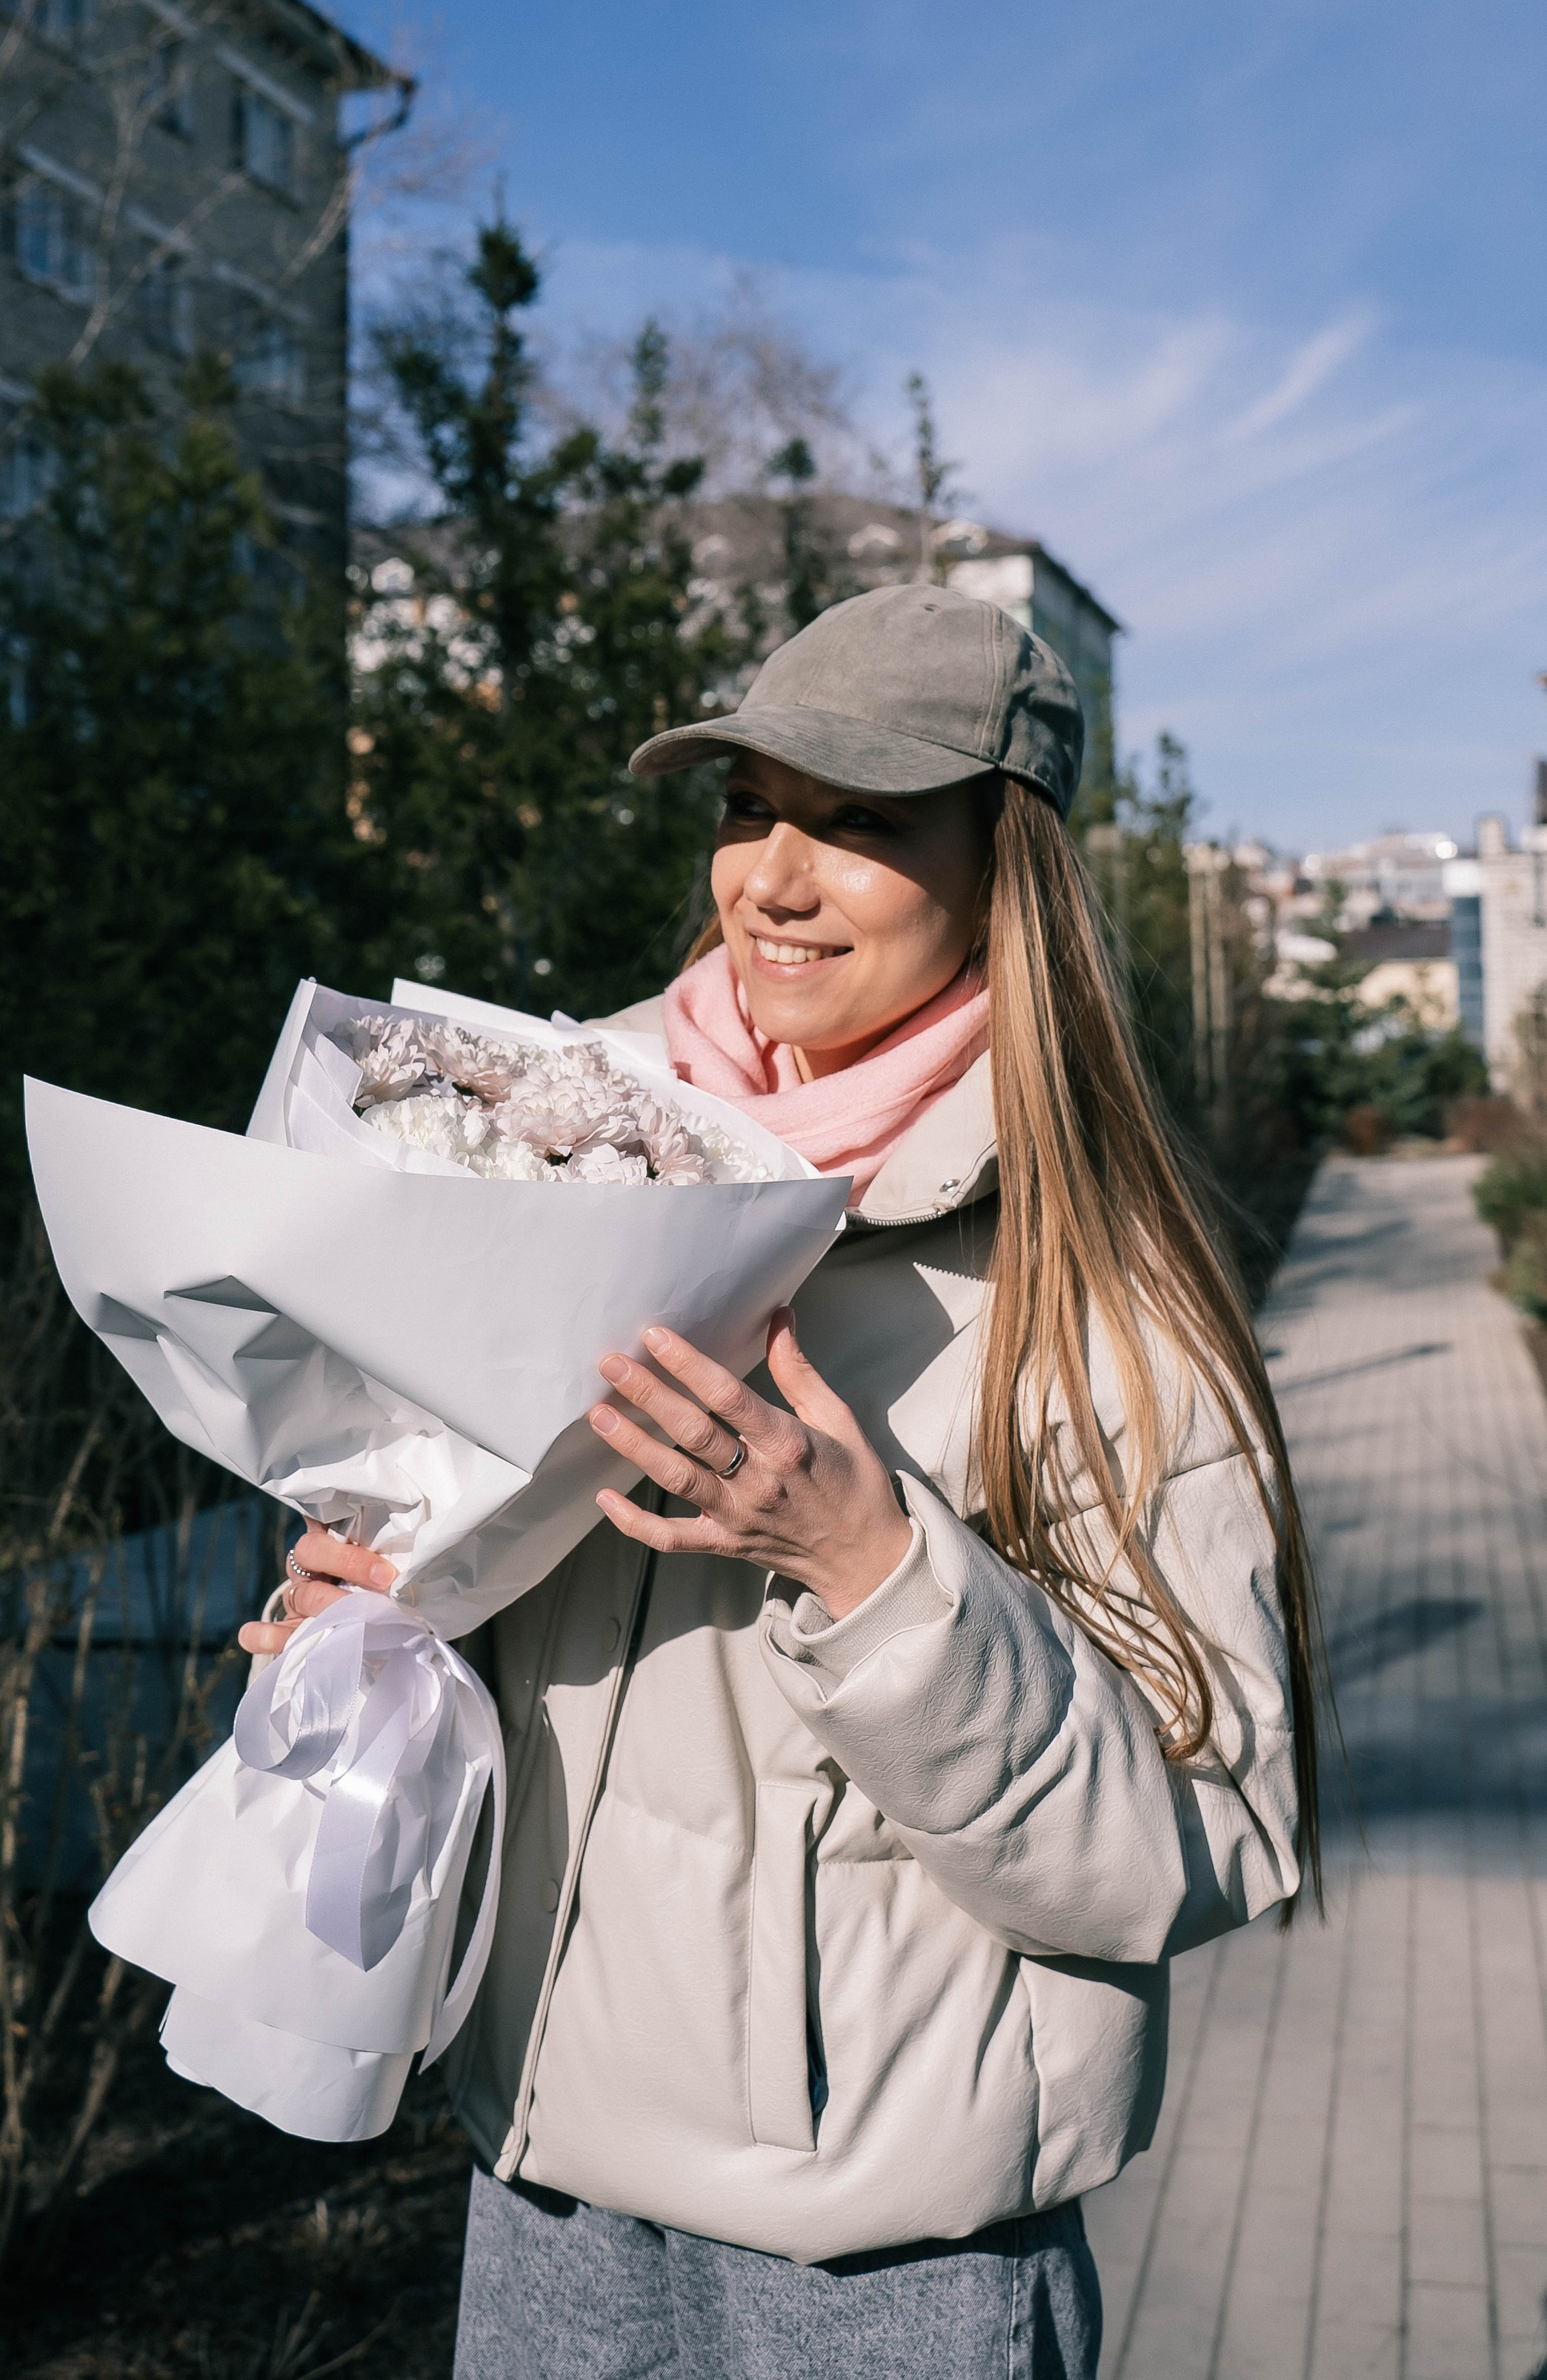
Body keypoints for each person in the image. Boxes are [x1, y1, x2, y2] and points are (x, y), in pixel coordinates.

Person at [243, 583, 1320, 2380]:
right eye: (749, 808)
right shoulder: (557, 1162)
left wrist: (873, 1564)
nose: (775, 877)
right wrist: (382, 1605)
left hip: (884, 2267)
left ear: (1005, 868)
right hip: (546, 2193)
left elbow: (1198, 1846)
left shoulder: (1104, 1298)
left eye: (862, 820)